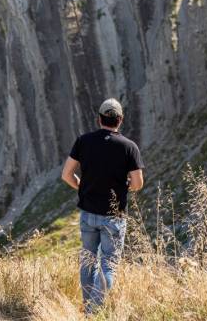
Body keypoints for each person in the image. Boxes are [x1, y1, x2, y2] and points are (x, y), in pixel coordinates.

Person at [61, 98, 144, 314]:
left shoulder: (83, 141)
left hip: (88, 214)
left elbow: (66, 174)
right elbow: (138, 183)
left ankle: (88, 309)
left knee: (88, 261)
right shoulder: (129, 147)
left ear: (99, 119)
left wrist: (82, 187)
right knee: (108, 264)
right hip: (113, 217)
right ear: (120, 120)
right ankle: (94, 313)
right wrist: (124, 189)